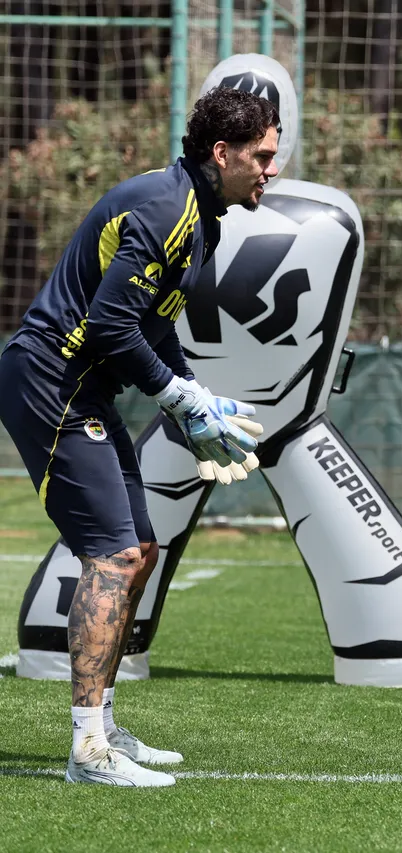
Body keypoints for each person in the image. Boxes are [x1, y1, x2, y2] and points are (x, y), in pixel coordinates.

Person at [0, 87, 280, 786]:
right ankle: (87, 751)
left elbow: (151, 325)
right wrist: (179, 396)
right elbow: (106, 328)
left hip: (83, 387)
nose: (271, 170)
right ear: (224, 153)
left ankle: (107, 725)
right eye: (264, 156)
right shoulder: (166, 209)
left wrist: (194, 397)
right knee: (115, 553)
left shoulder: (202, 218)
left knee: (142, 549)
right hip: (48, 381)